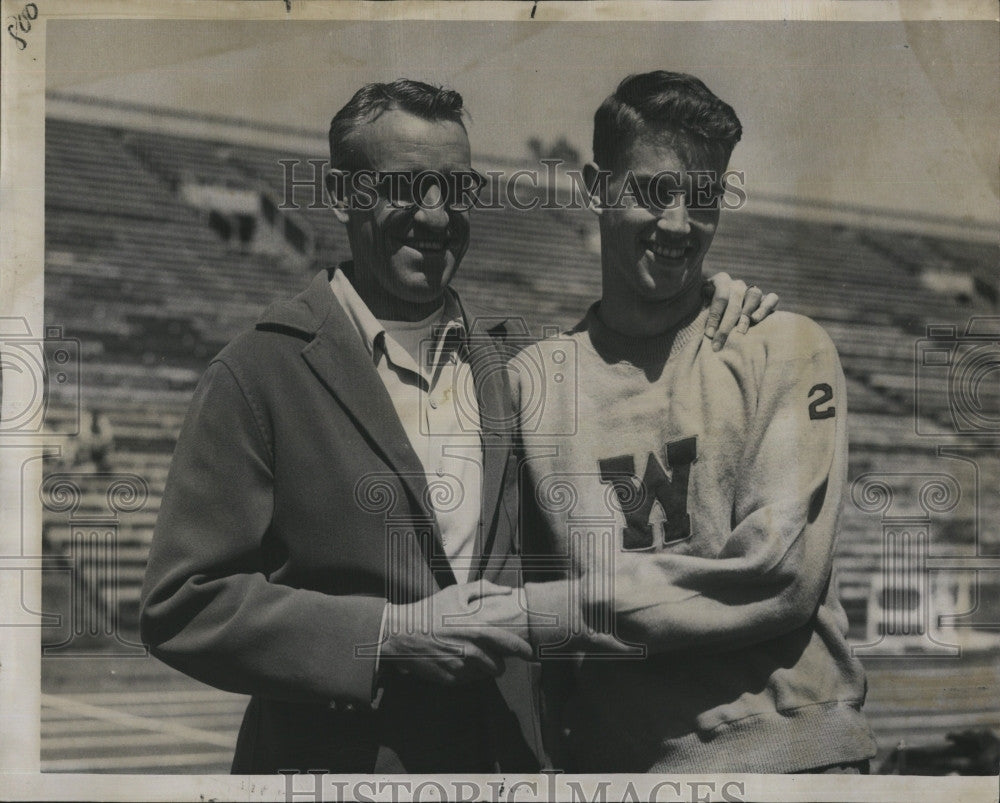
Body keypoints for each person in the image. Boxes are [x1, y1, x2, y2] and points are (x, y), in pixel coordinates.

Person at [139, 78, 770, 774]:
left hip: (503, 766)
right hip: (336, 771)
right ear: (344, 193)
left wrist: (708, 301)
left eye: (457, 189)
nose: (436, 216)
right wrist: (384, 636)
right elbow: (182, 603)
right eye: (407, 186)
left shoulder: (519, 370)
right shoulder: (259, 372)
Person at [516, 71, 878, 774]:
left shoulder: (783, 346)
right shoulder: (535, 385)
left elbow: (776, 575)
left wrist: (539, 613)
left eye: (704, 197)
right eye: (654, 192)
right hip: (620, 768)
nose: (680, 224)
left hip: (791, 764)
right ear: (596, 189)